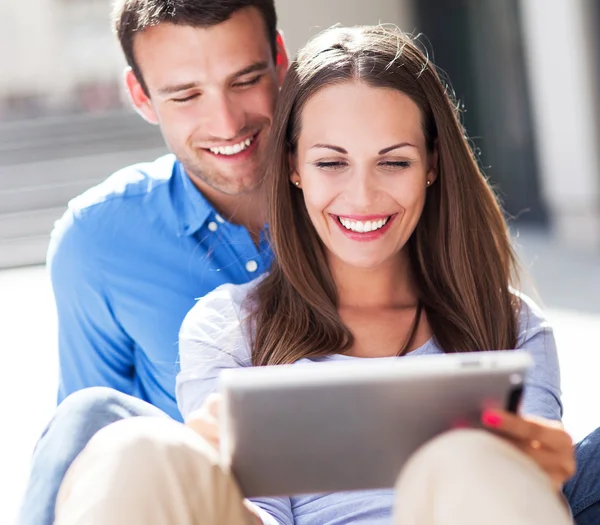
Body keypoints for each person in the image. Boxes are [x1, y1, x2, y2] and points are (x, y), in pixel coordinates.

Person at [39, 25, 600, 525]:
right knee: (129, 447)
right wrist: (211, 469)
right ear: (293, 167)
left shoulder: (509, 323)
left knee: (466, 457)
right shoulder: (226, 327)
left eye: (394, 161)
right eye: (331, 162)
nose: (361, 195)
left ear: (432, 164)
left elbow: (533, 498)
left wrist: (542, 469)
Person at [48, 0, 288, 421]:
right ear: (141, 96)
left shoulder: (362, 205)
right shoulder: (95, 242)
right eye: (186, 95)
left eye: (245, 80)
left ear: (280, 60)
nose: (227, 123)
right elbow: (88, 438)